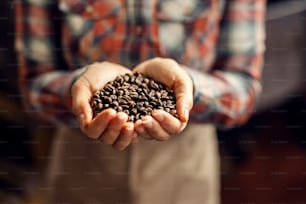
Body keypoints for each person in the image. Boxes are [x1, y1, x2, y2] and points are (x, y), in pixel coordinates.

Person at [15, 0, 266, 203]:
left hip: (185, 165)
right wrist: (78, 87)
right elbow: (33, 89)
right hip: (82, 163)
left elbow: (243, 91)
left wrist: (187, 88)